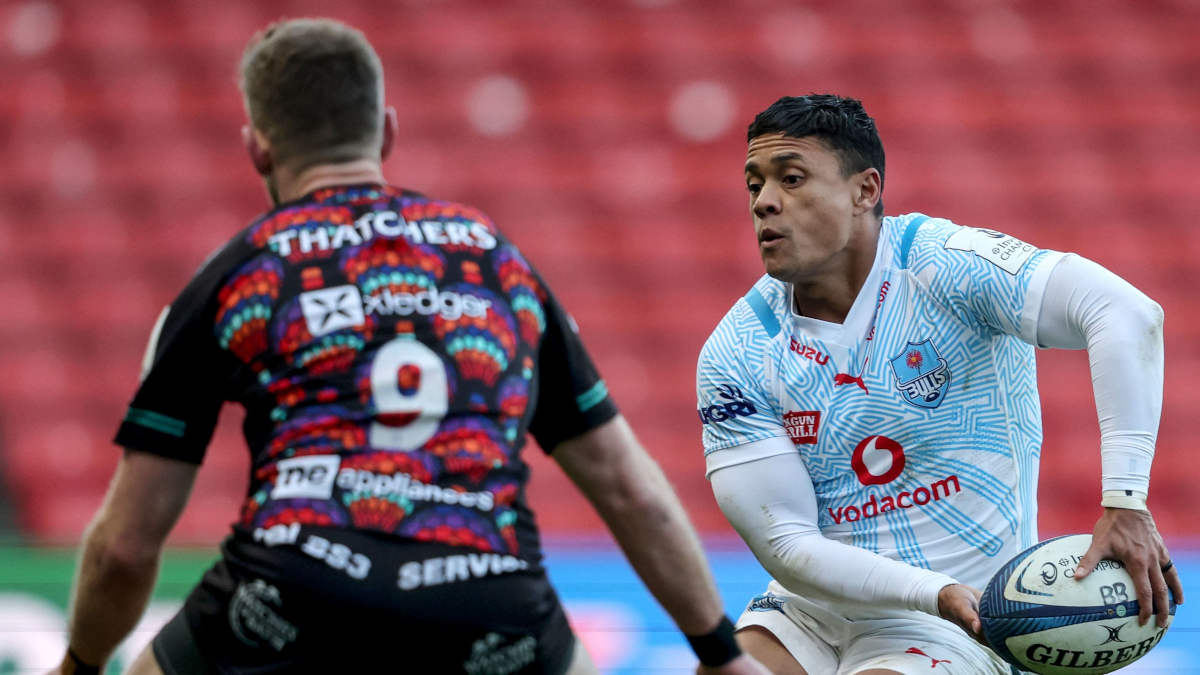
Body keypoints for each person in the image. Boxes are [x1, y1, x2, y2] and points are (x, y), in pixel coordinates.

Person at [50, 19, 768, 675]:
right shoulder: (495, 262)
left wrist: (80, 665)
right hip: (487, 596)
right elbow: (629, 488)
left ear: (257, 147)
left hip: (293, 588)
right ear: (386, 133)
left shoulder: (240, 275)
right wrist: (719, 651)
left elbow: (125, 549)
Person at [697, 94, 1185, 675]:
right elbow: (786, 544)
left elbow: (1126, 313)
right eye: (754, 186)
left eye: (792, 178)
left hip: (964, 616)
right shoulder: (738, 349)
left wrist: (1126, 500)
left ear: (865, 191)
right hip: (813, 608)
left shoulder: (945, 265)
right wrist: (931, 590)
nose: (764, 202)